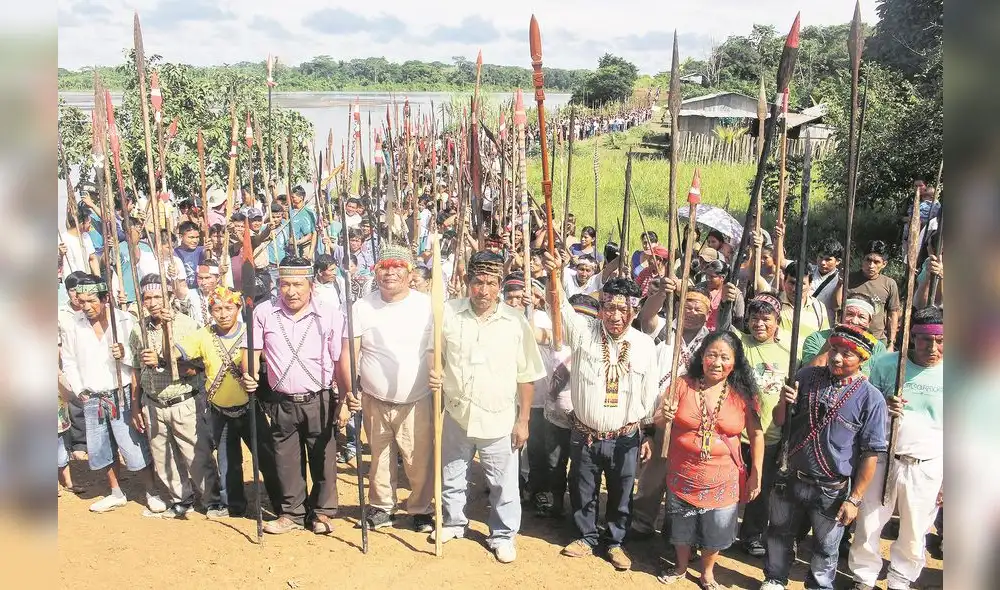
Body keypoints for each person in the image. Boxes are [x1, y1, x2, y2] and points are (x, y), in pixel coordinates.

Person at [543, 253, 660, 572]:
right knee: (582, 486)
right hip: (585, 433)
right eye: (610, 307)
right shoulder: (583, 334)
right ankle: (586, 536)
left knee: (623, 492)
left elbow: (649, 394)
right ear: (601, 309)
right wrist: (554, 276)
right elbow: (560, 309)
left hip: (626, 437)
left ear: (634, 311)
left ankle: (615, 542)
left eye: (624, 309)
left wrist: (646, 433)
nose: (616, 315)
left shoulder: (645, 346)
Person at [428, 251, 546, 564]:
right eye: (478, 282)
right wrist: (435, 373)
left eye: (491, 283)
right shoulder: (448, 314)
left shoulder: (515, 321)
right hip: (456, 413)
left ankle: (503, 535)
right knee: (452, 472)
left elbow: (527, 376)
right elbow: (435, 355)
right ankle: (453, 522)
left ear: (500, 285)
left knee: (502, 482)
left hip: (499, 418)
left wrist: (523, 421)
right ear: (467, 282)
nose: (484, 290)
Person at [759, 324, 888, 590]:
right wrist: (784, 401)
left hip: (832, 487)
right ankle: (774, 578)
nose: (837, 357)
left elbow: (870, 453)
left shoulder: (871, 398)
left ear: (863, 359)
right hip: (791, 475)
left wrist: (854, 499)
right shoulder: (806, 376)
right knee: (778, 532)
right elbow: (780, 421)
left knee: (826, 547)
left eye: (847, 354)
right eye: (834, 350)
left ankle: (819, 586)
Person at [242, 256, 347, 535]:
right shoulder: (264, 312)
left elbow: (339, 360)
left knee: (323, 458)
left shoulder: (330, 314)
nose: (291, 291)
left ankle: (322, 513)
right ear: (278, 284)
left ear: (310, 285)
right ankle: (291, 513)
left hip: (320, 399)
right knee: (285, 460)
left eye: (298, 284)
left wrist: (346, 399)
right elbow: (251, 350)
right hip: (281, 401)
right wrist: (249, 374)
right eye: (285, 284)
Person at [655, 332, 764, 589]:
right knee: (681, 523)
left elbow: (757, 435)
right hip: (683, 472)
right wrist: (664, 414)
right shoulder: (682, 384)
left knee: (717, 529)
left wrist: (756, 472)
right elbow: (659, 421)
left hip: (723, 478)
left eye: (724, 357)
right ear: (701, 357)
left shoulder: (744, 395)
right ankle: (681, 566)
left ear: (735, 362)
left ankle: (707, 573)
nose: (717, 362)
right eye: (711, 355)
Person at [340, 244, 436, 533]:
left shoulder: (428, 305)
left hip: (417, 399)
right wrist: (349, 391)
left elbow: (439, 348)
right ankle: (382, 507)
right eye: (384, 267)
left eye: (397, 267)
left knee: (418, 459)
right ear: (376, 271)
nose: (390, 273)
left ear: (409, 273)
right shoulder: (361, 306)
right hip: (374, 398)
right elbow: (350, 352)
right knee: (379, 458)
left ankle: (421, 508)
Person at [849, 307, 944, 590]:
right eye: (926, 340)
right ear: (913, 337)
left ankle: (901, 579)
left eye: (941, 340)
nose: (934, 348)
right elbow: (866, 407)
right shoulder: (888, 364)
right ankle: (864, 576)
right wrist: (883, 406)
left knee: (916, 530)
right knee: (869, 522)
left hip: (927, 465)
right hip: (883, 459)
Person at [58, 274, 165, 513]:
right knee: (101, 446)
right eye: (82, 301)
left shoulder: (125, 320)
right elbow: (69, 360)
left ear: (106, 298)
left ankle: (151, 491)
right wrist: (80, 390)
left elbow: (138, 358)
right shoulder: (73, 324)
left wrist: (124, 353)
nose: (86, 306)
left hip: (123, 392)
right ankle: (116, 492)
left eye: (91, 301)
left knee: (134, 444)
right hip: (92, 395)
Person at [175, 285, 283, 519]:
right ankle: (234, 505)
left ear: (238, 308)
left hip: (250, 408)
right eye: (216, 309)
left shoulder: (251, 332)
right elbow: (176, 352)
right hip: (219, 411)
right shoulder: (204, 335)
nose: (223, 314)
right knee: (227, 461)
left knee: (266, 457)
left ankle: (283, 505)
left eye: (228, 308)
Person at [129, 274, 223, 519]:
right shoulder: (138, 329)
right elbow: (136, 371)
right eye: (147, 297)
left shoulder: (187, 325)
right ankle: (181, 499)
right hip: (153, 402)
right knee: (163, 456)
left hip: (183, 399)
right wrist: (135, 405)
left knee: (196, 454)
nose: (152, 302)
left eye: (157, 296)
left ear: (169, 296)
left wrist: (165, 362)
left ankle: (212, 500)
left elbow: (198, 367)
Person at [630, 287, 712, 538]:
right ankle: (641, 522)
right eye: (687, 305)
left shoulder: (712, 340)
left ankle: (676, 531)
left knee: (685, 476)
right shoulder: (665, 330)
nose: (691, 311)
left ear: (708, 314)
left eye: (698, 308)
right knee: (653, 473)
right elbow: (646, 317)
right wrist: (662, 293)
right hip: (659, 416)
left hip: (693, 420)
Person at [735, 294, 791, 557]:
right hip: (736, 433)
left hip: (770, 433)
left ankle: (752, 535)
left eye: (766, 319)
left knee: (761, 488)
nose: (759, 323)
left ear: (777, 322)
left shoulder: (788, 352)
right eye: (754, 318)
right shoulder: (739, 343)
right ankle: (718, 532)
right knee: (730, 484)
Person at [543, 294, 596, 517]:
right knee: (554, 464)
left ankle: (578, 511)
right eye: (576, 316)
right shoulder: (555, 340)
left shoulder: (596, 348)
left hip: (583, 421)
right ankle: (556, 503)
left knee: (579, 470)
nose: (580, 323)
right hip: (554, 417)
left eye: (587, 318)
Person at [802, 293, 888, 375]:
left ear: (869, 322)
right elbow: (809, 374)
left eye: (861, 317)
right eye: (849, 314)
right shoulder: (816, 338)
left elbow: (879, 381)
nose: (854, 321)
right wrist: (832, 341)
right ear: (839, 316)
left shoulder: (877, 348)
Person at [845, 240, 901, 348]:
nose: (871, 265)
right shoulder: (848, 279)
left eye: (876, 262)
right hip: (849, 338)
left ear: (884, 264)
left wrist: (891, 343)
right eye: (868, 260)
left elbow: (893, 314)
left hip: (876, 341)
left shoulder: (889, 284)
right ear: (862, 260)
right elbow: (837, 305)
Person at [778, 262, 830, 353]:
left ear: (810, 285)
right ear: (784, 282)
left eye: (801, 284)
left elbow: (823, 340)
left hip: (807, 364)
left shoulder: (818, 307)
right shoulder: (774, 303)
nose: (795, 289)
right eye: (792, 283)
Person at [811, 238, 844, 325]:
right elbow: (782, 262)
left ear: (838, 261)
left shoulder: (840, 279)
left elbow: (837, 306)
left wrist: (839, 285)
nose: (822, 262)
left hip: (825, 325)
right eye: (820, 257)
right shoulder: (808, 271)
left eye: (828, 259)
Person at [184, 260, 221, 328]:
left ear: (218, 278)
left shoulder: (227, 295)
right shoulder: (190, 294)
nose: (203, 282)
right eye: (200, 278)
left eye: (207, 278)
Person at [174, 220, 204, 290]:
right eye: (191, 237)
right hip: (183, 292)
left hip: (200, 291)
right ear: (181, 237)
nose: (195, 241)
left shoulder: (202, 250)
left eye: (197, 237)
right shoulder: (174, 254)